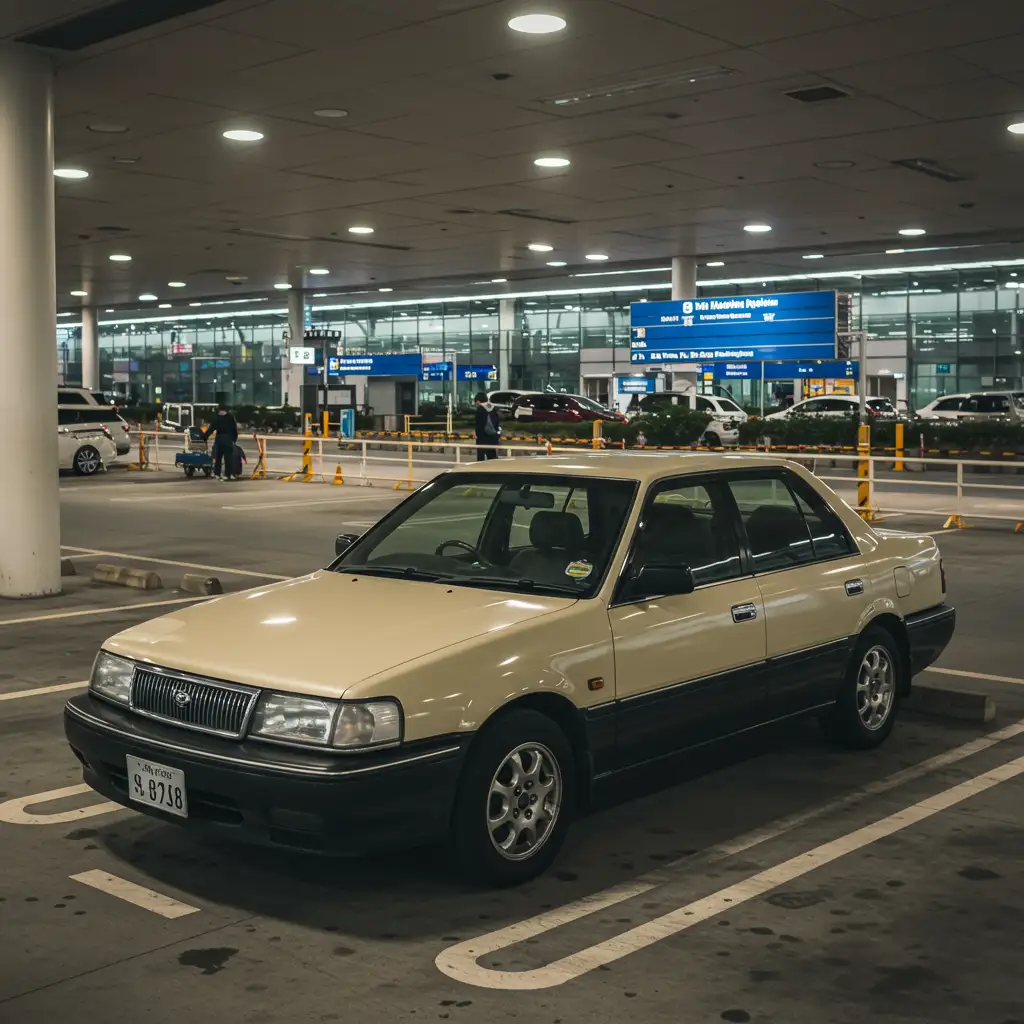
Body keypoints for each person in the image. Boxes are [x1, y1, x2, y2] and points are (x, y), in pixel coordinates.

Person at [203, 405, 239, 480]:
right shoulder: (230, 418)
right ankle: (227, 474)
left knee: (218, 458)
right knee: (228, 458)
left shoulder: (217, 418)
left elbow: (211, 428)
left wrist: (204, 437)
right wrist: (234, 440)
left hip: (219, 439)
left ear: (219, 411)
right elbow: (235, 430)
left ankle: (217, 473)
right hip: (228, 439)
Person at [474, 392, 500, 461]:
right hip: (493, 437)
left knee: (481, 459)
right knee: (492, 458)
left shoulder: (480, 409)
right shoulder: (492, 408)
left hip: (482, 438)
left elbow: (479, 424)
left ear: (478, 401)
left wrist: (477, 435)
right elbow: (497, 422)